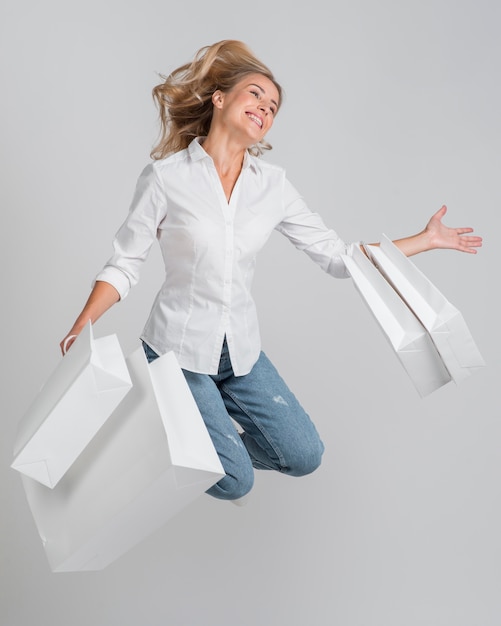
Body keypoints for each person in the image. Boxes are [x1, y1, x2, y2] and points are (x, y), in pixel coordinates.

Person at [60, 40, 482, 503]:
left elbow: (339, 257)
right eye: (255, 94)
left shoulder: (273, 187)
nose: (265, 107)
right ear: (219, 98)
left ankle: (188, 440)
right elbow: (125, 262)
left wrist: (424, 239)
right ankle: (161, 424)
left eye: (274, 106)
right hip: (175, 352)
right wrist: (86, 320)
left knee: (304, 454)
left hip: (239, 352)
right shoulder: (166, 177)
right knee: (237, 482)